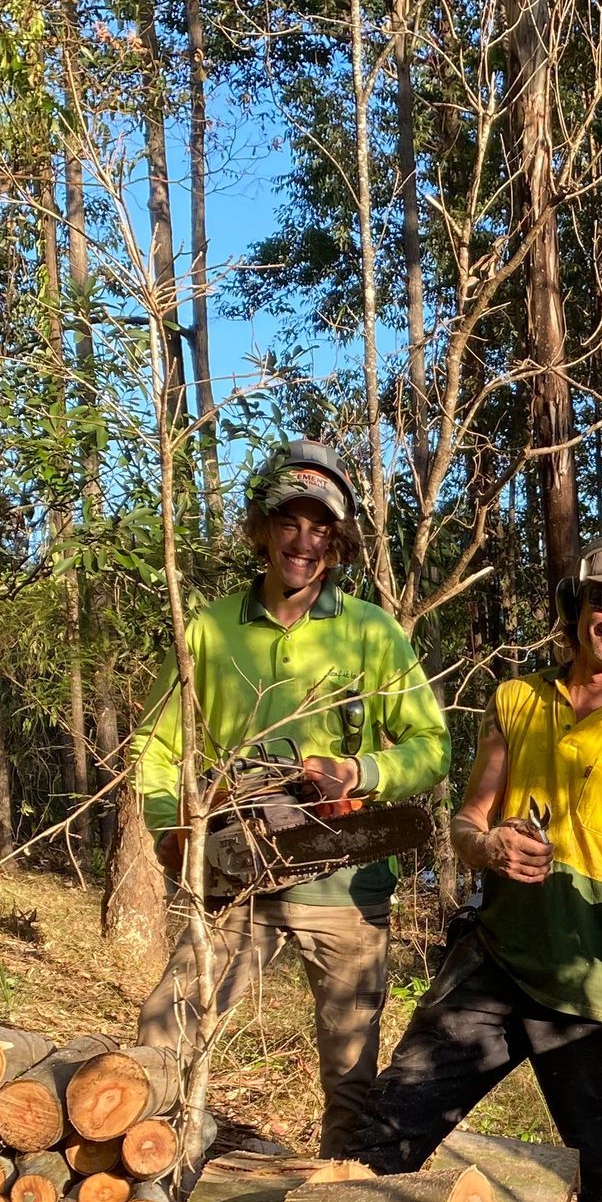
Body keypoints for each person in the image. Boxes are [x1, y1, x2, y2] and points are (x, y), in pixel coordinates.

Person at [347, 534, 602, 1202]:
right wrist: (491, 849)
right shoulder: (517, 700)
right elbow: (467, 821)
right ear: (579, 606)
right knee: (386, 1131)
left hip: (595, 993)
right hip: (493, 962)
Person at [134, 439, 449, 1153]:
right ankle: (148, 1183)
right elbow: (157, 744)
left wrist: (359, 774)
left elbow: (431, 748)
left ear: (337, 542)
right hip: (240, 877)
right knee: (164, 1031)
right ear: (264, 529)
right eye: (289, 522)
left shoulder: (370, 632)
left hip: (345, 884)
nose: (302, 542)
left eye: (319, 528)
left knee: (351, 1081)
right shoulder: (211, 628)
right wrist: (168, 825)